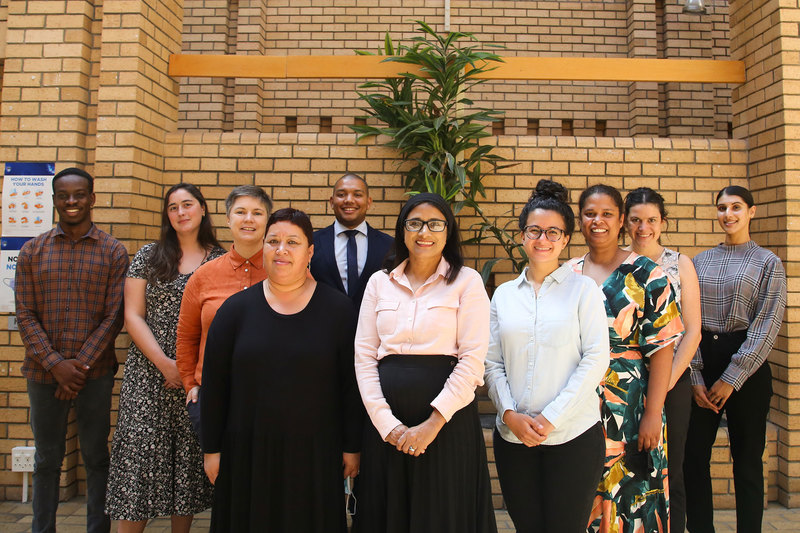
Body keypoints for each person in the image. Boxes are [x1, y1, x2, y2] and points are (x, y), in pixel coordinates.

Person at [200, 208, 363, 532]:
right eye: (273, 241)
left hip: (316, 454)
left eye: (293, 242)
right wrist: (212, 450)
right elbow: (215, 386)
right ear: (263, 248)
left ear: (310, 252)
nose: (281, 249)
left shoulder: (339, 312)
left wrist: (352, 446)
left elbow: (351, 386)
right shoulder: (235, 311)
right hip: (247, 453)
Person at [353, 192, 497, 533]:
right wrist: (387, 425)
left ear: (448, 232)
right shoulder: (379, 282)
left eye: (435, 223)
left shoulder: (467, 282)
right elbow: (363, 356)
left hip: (446, 425)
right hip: (385, 427)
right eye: (414, 223)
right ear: (402, 230)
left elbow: (473, 360)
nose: (424, 232)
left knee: (443, 516)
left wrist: (431, 425)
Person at [484, 180, 609, 533]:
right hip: (513, 439)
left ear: (566, 240)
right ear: (522, 236)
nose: (543, 240)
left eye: (553, 232)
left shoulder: (584, 289)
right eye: (535, 231)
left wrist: (550, 418)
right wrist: (509, 414)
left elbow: (596, 357)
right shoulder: (504, 296)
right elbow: (491, 363)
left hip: (572, 435)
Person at [15, 167, 129, 533]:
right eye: (63, 196)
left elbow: (114, 317)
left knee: (96, 457)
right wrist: (56, 366)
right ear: (54, 201)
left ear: (92, 198)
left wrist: (76, 368)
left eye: (79, 194)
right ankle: (42, 528)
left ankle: (98, 528)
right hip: (42, 374)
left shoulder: (113, 251)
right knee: (47, 459)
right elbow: (25, 314)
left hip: (93, 376)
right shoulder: (32, 250)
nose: (72, 202)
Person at [106, 183, 225, 532]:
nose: (180, 213)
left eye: (187, 205)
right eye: (173, 208)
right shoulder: (148, 255)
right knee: (138, 464)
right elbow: (132, 316)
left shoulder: (219, 260)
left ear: (202, 209)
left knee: (185, 466)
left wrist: (187, 370)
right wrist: (165, 365)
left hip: (197, 377)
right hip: (148, 376)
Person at [567, 184, 684, 533]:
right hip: (579, 404)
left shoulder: (649, 274)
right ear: (580, 219)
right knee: (585, 495)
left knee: (635, 496)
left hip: (632, 406)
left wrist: (652, 413)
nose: (597, 221)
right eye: (589, 213)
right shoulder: (567, 274)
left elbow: (663, 351)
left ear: (621, 221)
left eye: (607, 214)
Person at [684, 185, 786, 533]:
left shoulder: (767, 262)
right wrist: (696, 377)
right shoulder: (699, 261)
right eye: (722, 208)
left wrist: (733, 377)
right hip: (702, 357)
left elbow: (768, 322)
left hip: (748, 364)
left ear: (751, 212)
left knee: (746, 462)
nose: (728, 214)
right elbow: (689, 322)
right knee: (693, 458)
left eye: (736, 207)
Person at [624, 186, 702, 533]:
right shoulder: (617, 261)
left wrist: (665, 381)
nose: (644, 228)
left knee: (674, 468)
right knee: (629, 467)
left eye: (651, 220)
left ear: (663, 222)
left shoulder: (679, 263)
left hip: (672, 381)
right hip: (623, 382)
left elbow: (693, 330)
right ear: (626, 222)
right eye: (636, 220)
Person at [176, 185, 272, 439]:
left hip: (272, 398)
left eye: (257, 213)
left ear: (268, 221)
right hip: (214, 396)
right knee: (220, 474)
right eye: (240, 212)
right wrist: (190, 384)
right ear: (228, 220)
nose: (248, 219)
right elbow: (187, 337)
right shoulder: (203, 276)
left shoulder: (289, 273)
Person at [310, 173, 393, 308]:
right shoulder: (312, 242)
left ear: (368, 202)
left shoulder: (389, 245)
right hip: (324, 327)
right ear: (331, 202)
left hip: (372, 326)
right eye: (341, 194)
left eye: (357, 195)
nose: (349, 200)